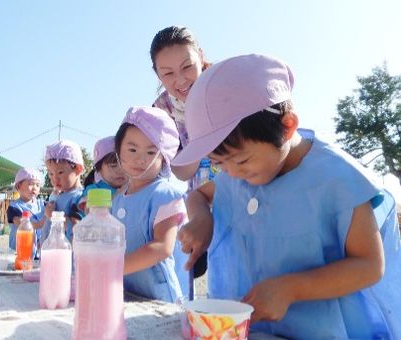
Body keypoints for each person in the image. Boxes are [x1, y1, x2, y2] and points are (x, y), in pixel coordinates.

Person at [172, 53, 401, 338]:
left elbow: (369, 265)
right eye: (219, 164)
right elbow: (198, 196)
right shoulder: (235, 177)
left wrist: (291, 288)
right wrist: (201, 219)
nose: (230, 173)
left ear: (287, 125)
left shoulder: (339, 179)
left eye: (240, 161)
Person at [150, 25, 214, 278]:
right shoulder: (162, 108)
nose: (180, 80)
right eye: (167, 73)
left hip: (241, 187)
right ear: (157, 74)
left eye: (187, 67)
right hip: (198, 198)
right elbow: (179, 168)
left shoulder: (223, 84)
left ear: (200, 54)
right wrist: (200, 141)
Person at [112, 106, 189, 303]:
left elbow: (163, 246)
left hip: (160, 298)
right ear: (118, 150)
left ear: (164, 157)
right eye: (132, 149)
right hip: (127, 291)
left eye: (151, 152)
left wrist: (111, 268)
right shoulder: (119, 197)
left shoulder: (165, 194)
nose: (140, 159)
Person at [41, 140, 84, 244]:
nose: (55, 179)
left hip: (66, 256)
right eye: (50, 173)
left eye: (60, 172)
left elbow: (77, 229)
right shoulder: (56, 194)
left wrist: (53, 216)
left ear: (78, 169)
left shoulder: (80, 197)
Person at [78, 136, 127, 212]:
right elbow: (91, 214)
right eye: (113, 166)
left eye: (125, 165)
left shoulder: (134, 188)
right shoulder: (94, 190)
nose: (120, 171)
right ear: (99, 169)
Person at [7, 168, 46, 256]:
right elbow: (21, 225)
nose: (34, 188)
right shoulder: (14, 207)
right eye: (31, 184)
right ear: (18, 186)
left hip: (38, 254)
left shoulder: (42, 204)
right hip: (19, 252)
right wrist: (40, 224)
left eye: (37, 185)